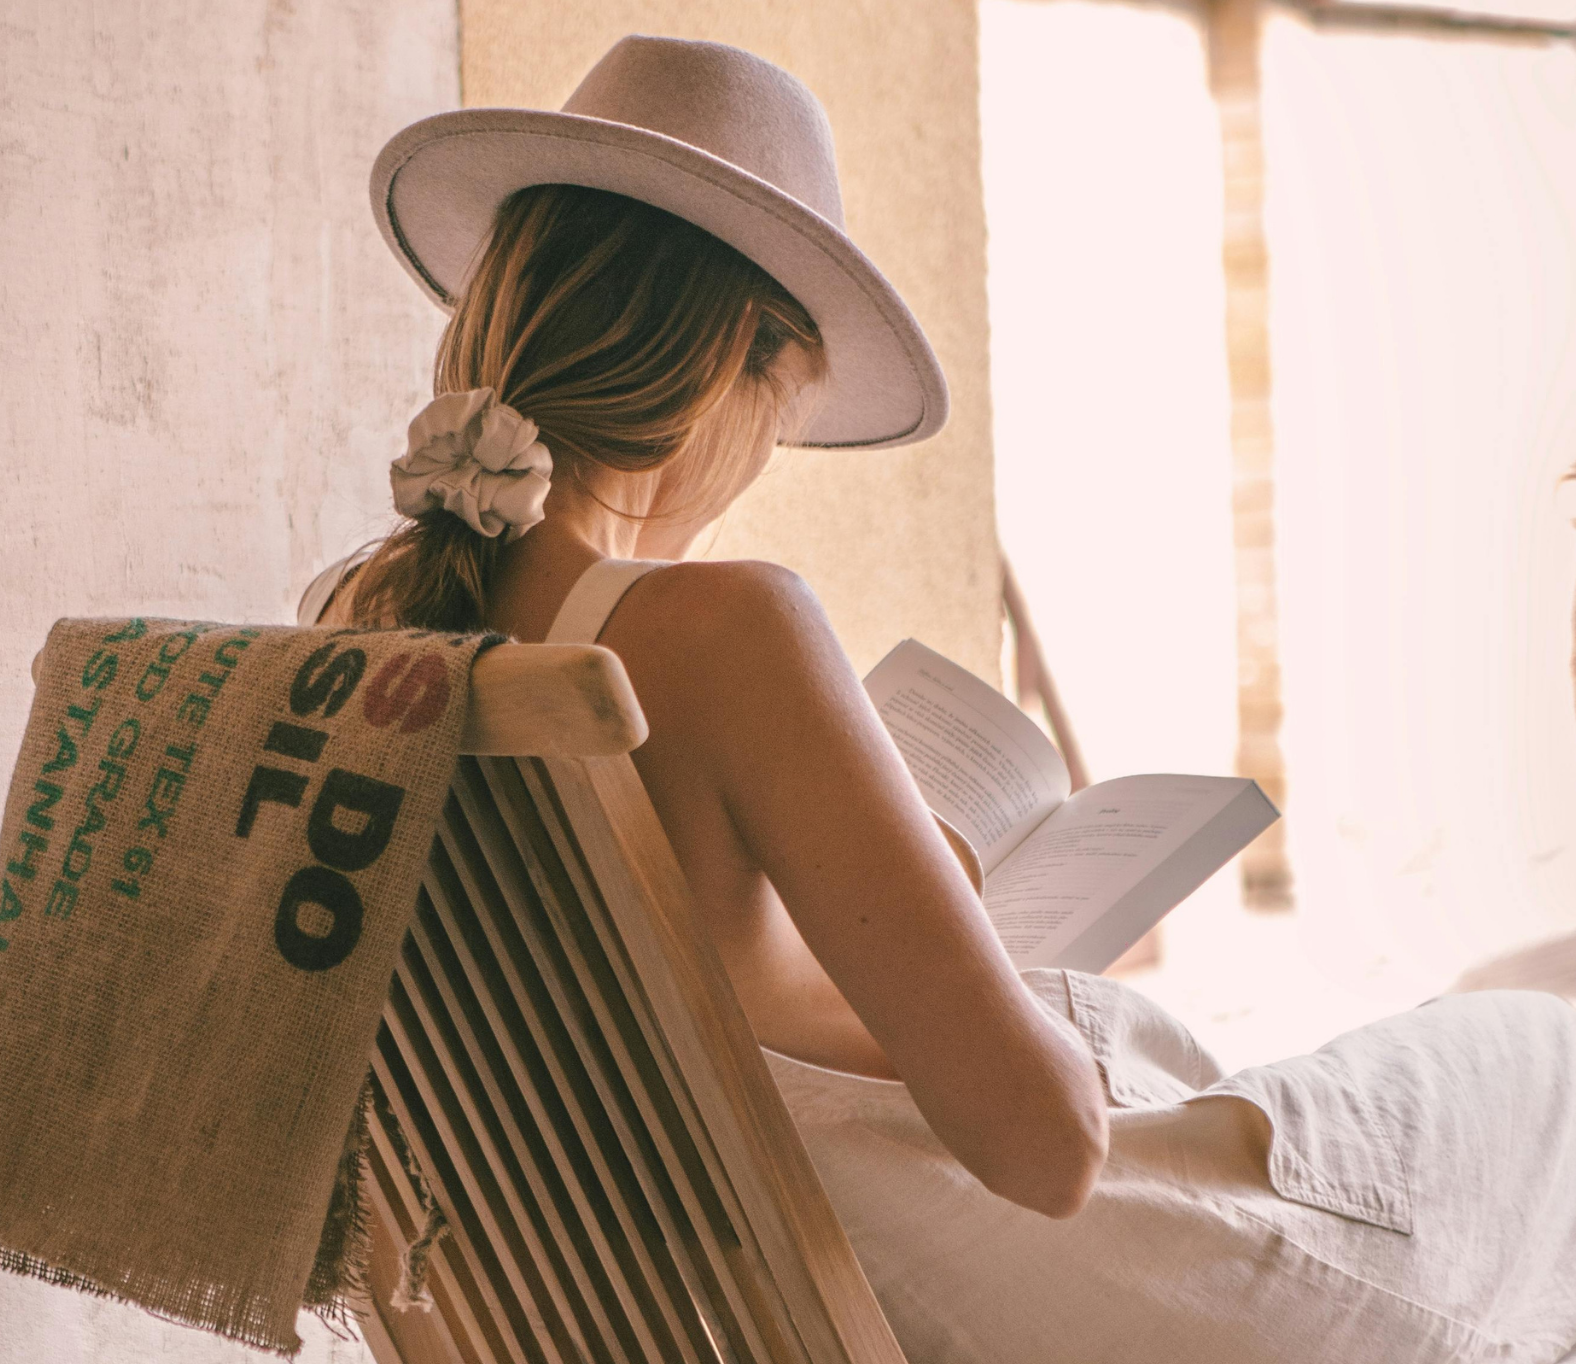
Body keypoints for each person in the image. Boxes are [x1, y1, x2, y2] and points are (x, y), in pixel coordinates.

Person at [309, 35, 1576, 1363]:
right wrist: (959, 931)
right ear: (726, 362)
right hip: (1084, 1288)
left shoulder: (364, 629)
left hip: (795, 1284)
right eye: (783, 413)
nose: (759, 467)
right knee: (1540, 1064)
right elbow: (1047, 1148)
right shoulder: (725, 630)